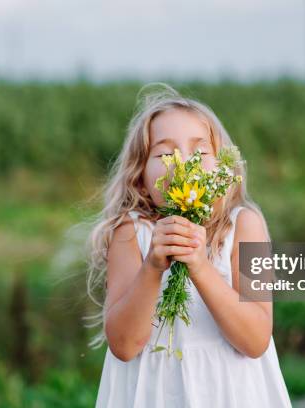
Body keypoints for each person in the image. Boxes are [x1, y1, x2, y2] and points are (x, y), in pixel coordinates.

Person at [85, 83, 292, 407]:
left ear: (222, 170)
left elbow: (255, 340)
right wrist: (153, 265)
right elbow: (124, 345)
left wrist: (199, 265)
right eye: (166, 153)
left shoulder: (244, 226)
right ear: (140, 175)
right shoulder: (130, 233)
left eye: (199, 151)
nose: (183, 163)